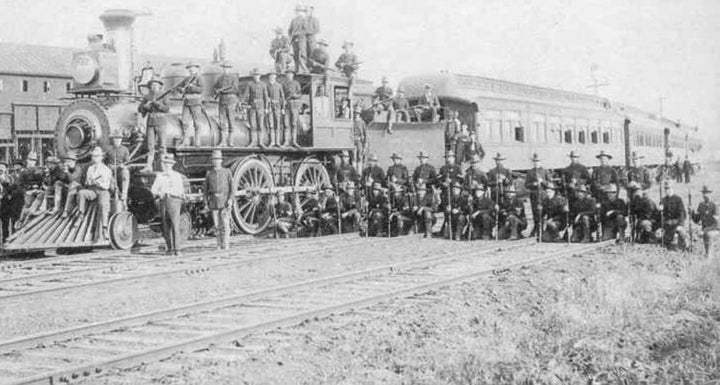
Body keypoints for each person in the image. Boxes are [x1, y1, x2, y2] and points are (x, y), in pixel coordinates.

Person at [151, 153, 186, 256]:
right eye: (165, 163)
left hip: (174, 200)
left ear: (172, 165)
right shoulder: (160, 176)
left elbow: (180, 190)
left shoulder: (177, 176)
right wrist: (159, 193)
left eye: (169, 164)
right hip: (163, 201)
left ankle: (177, 249)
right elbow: (153, 189)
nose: (167, 165)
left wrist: (173, 193)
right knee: (165, 226)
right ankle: (169, 248)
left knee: (175, 225)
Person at [77, 147, 113, 241]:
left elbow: (107, 185)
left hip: (103, 191)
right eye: (93, 156)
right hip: (92, 190)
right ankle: (81, 214)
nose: (94, 158)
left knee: (103, 205)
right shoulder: (90, 169)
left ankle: (105, 227)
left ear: (101, 157)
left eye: (97, 156)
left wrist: (98, 183)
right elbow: (87, 182)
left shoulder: (106, 169)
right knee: (81, 193)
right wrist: (90, 182)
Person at [138, 76, 170, 170]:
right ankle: (149, 165)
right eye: (152, 85)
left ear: (160, 86)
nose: (154, 86)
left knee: (162, 145)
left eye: (156, 84)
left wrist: (157, 104)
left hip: (161, 122)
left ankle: (164, 165)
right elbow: (140, 109)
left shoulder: (164, 95)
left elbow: (166, 109)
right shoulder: (147, 96)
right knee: (150, 146)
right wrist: (145, 106)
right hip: (150, 123)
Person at [204, 150, 234, 250]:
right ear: (212, 161)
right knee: (217, 225)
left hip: (225, 201)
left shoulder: (227, 172)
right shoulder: (209, 174)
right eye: (214, 160)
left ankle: (226, 245)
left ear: (221, 161)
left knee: (225, 225)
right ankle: (218, 244)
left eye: (218, 160)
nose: (216, 162)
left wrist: (230, 199)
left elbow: (232, 188)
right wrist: (206, 203)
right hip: (213, 202)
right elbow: (205, 191)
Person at [176, 62, 204, 147]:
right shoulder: (186, 79)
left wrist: (192, 87)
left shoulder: (199, 78)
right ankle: (185, 140)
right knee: (185, 122)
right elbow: (178, 87)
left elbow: (201, 90)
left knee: (197, 123)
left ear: (196, 69)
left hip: (195, 102)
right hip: (186, 102)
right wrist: (181, 89)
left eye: (193, 68)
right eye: (190, 68)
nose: (191, 69)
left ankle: (197, 141)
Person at [214, 61, 240, 147]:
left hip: (231, 101)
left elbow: (235, 89)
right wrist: (217, 91)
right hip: (222, 101)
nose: (226, 70)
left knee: (231, 121)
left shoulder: (234, 78)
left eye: (227, 68)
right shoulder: (219, 79)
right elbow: (215, 88)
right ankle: (223, 141)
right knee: (222, 122)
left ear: (230, 69)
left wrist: (224, 90)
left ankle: (231, 141)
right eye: (224, 68)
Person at [525, 153, 550, 238]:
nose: (536, 163)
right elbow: (526, 185)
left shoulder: (545, 171)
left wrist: (542, 181)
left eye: (537, 161)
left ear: (540, 162)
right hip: (534, 195)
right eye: (534, 161)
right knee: (535, 213)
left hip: (543, 195)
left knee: (542, 213)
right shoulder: (530, 172)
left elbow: (549, 184)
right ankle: (536, 229)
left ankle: (541, 230)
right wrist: (533, 184)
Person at [243, 69, 269, 148]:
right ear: (253, 76)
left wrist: (266, 108)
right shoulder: (250, 84)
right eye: (255, 75)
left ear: (260, 76)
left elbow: (266, 96)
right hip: (252, 107)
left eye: (257, 75)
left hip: (261, 107)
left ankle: (261, 142)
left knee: (260, 125)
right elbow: (246, 95)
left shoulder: (263, 84)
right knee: (253, 125)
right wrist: (244, 104)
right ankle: (253, 142)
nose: (256, 77)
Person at [691, 185, 718, 257]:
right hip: (704, 230)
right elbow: (696, 220)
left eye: (707, 193)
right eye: (704, 193)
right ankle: (707, 253)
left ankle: (709, 255)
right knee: (706, 235)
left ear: (710, 194)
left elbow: (716, 224)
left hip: (714, 229)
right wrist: (692, 212)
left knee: (708, 235)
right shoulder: (701, 205)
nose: (705, 195)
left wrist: (705, 230)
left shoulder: (714, 206)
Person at [104, 130, 130, 204]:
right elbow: (103, 162)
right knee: (110, 181)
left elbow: (127, 163)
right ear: (112, 139)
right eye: (115, 138)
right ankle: (118, 195)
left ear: (121, 139)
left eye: (119, 138)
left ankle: (124, 196)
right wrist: (109, 167)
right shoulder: (108, 149)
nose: (117, 140)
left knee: (125, 173)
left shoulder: (125, 150)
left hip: (119, 171)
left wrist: (123, 166)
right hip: (110, 171)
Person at [660, 181, 687, 251]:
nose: (667, 190)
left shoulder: (678, 199)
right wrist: (660, 210)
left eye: (668, 188)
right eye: (665, 188)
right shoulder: (663, 200)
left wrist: (680, 224)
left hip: (676, 223)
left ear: (672, 188)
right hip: (667, 224)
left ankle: (683, 243)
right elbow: (661, 215)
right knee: (664, 240)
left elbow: (682, 213)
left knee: (680, 232)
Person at [283, 69, 302, 147]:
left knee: (294, 124)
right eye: (287, 74)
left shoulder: (296, 83)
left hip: (294, 105)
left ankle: (294, 141)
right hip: (287, 106)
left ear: (293, 75)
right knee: (286, 124)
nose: (289, 75)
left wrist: (295, 96)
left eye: (290, 74)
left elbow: (300, 95)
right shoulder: (284, 84)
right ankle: (286, 142)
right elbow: (282, 95)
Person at [265, 72, 285, 147]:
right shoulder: (267, 86)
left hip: (277, 106)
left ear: (275, 77)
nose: (272, 77)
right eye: (270, 76)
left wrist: (283, 108)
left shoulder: (279, 86)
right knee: (271, 124)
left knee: (278, 124)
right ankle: (272, 142)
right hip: (270, 106)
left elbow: (282, 97)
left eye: (273, 76)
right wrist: (266, 107)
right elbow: (266, 96)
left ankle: (278, 142)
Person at [288, 4, 308, 74]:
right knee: (295, 55)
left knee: (302, 54)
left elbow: (306, 30)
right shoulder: (293, 20)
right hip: (294, 40)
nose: (298, 12)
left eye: (300, 11)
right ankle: (297, 69)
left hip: (301, 39)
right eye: (297, 11)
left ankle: (304, 69)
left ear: (303, 12)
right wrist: (291, 36)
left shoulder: (304, 20)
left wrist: (298, 33)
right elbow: (290, 30)